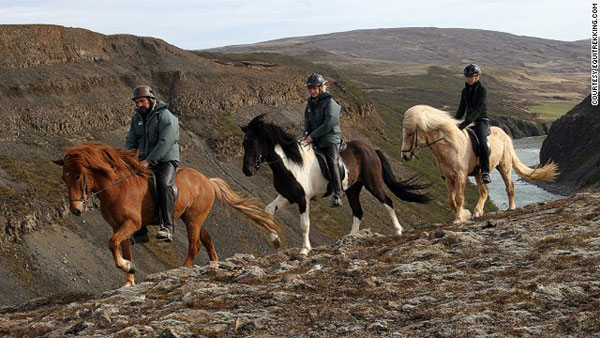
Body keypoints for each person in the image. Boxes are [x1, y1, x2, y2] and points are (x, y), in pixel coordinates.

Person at [126, 85, 180, 241]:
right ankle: (141, 230)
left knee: (164, 183)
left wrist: (149, 161)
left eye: (142, 101)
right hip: (144, 159)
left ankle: (168, 226)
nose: (139, 105)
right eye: (137, 102)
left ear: (151, 99)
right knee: (133, 185)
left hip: (166, 159)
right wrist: (126, 158)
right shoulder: (137, 118)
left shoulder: (165, 116)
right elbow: (131, 139)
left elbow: (166, 141)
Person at [302, 73, 344, 207]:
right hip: (315, 137)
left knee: (332, 161)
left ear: (321, 88)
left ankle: (338, 193)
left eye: (315, 88)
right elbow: (307, 121)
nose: (312, 91)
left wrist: (313, 136)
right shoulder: (310, 104)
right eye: (310, 88)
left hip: (329, 138)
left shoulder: (330, 103)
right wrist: (306, 134)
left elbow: (329, 123)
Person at [455, 64, 492, 184]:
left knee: (482, 143)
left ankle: (485, 171)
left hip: (481, 121)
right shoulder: (465, 91)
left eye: (470, 76)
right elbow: (461, 109)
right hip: (468, 122)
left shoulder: (483, 90)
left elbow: (480, 108)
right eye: (467, 76)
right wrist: (454, 122)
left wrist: (466, 122)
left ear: (477, 76)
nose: (468, 78)